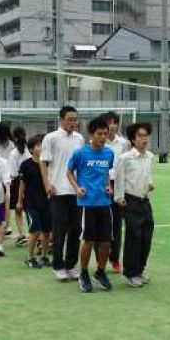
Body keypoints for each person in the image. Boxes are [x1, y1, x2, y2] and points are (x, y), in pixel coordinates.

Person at [67, 117, 115, 293]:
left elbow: (105, 173)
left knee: (105, 242)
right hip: (87, 204)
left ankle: (100, 272)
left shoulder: (109, 153)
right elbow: (69, 172)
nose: (103, 137)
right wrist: (77, 187)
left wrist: (108, 186)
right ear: (91, 134)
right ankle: (84, 273)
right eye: (99, 134)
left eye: (105, 133)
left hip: (105, 203)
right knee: (88, 241)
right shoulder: (80, 153)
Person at [40, 106, 85, 282]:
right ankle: (58, 266)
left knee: (76, 229)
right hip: (57, 191)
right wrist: (47, 184)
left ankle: (71, 265)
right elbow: (43, 162)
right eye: (70, 119)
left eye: (75, 119)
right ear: (61, 119)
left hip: (76, 191)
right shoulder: (50, 138)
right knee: (59, 230)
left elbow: (80, 164)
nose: (73, 122)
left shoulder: (80, 139)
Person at [114, 122, 155, 288]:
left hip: (145, 200)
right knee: (134, 237)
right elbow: (119, 178)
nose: (143, 139)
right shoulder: (125, 158)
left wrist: (150, 183)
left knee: (147, 236)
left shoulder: (150, 156)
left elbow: (148, 174)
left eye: (145, 135)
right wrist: (119, 197)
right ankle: (131, 273)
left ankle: (140, 269)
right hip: (130, 201)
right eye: (140, 136)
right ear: (132, 139)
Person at [100, 111, 130, 274]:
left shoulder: (124, 143)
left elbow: (126, 165)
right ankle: (101, 258)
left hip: (118, 185)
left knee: (117, 224)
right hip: (102, 186)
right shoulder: (98, 142)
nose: (112, 125)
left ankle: (115, 259)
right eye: (109, 122)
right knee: (102, 223)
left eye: (114, 122)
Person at [17, 135, 52, 269]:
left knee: (47, 231)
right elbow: (22, 185)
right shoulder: (25, 165)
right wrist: (20, 201)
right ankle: (30, 257)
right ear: (31, 149)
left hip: (47, 202)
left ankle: (44, 256)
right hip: (31, 204)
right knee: (35, 230)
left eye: (42, 144)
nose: (41, 147)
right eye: (38, 145)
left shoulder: (49, 163)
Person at [8, 126, 31, 247]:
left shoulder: (13, 153)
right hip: (32, 181)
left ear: (14, 137)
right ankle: (33, 233)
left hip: (17, 182)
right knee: (30, 209)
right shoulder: (30, 150)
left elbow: (12, 174)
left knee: (18, 210)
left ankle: (22, 234)